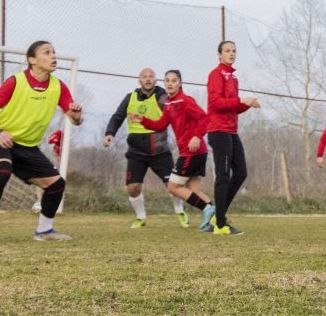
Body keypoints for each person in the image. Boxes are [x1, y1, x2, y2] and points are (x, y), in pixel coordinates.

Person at [0, 41, 82, 241]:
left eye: (54, 52)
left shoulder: (58, 87)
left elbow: (75, 120)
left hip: (27, 147)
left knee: (57, 184)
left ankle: (44, 231)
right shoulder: (15, 82)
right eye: (47, 52)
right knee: (2, 169)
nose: (53, 56)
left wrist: (76, 116)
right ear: (32, 60)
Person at [129, 70, 216, 231]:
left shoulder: (185, 100)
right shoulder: (169, 103)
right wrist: (142, 120)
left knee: (173, 187)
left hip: (193, 152)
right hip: (193, 152)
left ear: (180, 83)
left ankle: (208, 209)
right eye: (167, 80)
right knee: (193, 190)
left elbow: (204, 119)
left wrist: (197, 136)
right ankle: (216, 220)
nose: (170, 83)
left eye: (174, 80)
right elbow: (161, 125)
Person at [103, 68, 187, 228]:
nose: (148, 79)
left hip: (159, 151)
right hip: (136, 152)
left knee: (173, 186)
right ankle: (140, 217)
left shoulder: (162, 96)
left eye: (151, 77)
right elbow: (118, 116)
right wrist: (110, 133)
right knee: (133, 188)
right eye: (144, 77)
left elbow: (175, 110)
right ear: (139, 80)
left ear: (156, 80)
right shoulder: (130, 98)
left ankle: (179, 210)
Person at [207, 40, 260, 235]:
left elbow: (233, 107)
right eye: (227, 51)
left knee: (241, 172)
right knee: (223, 176)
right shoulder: (216, 74)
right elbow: (216, 103)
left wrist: (247, 104)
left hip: (231, 130)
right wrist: (240, 99)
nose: (231, 53)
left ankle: (217, 215)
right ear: (219, 55)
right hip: (218, 130)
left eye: (234, 51)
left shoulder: (233, 78)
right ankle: (220, 225)